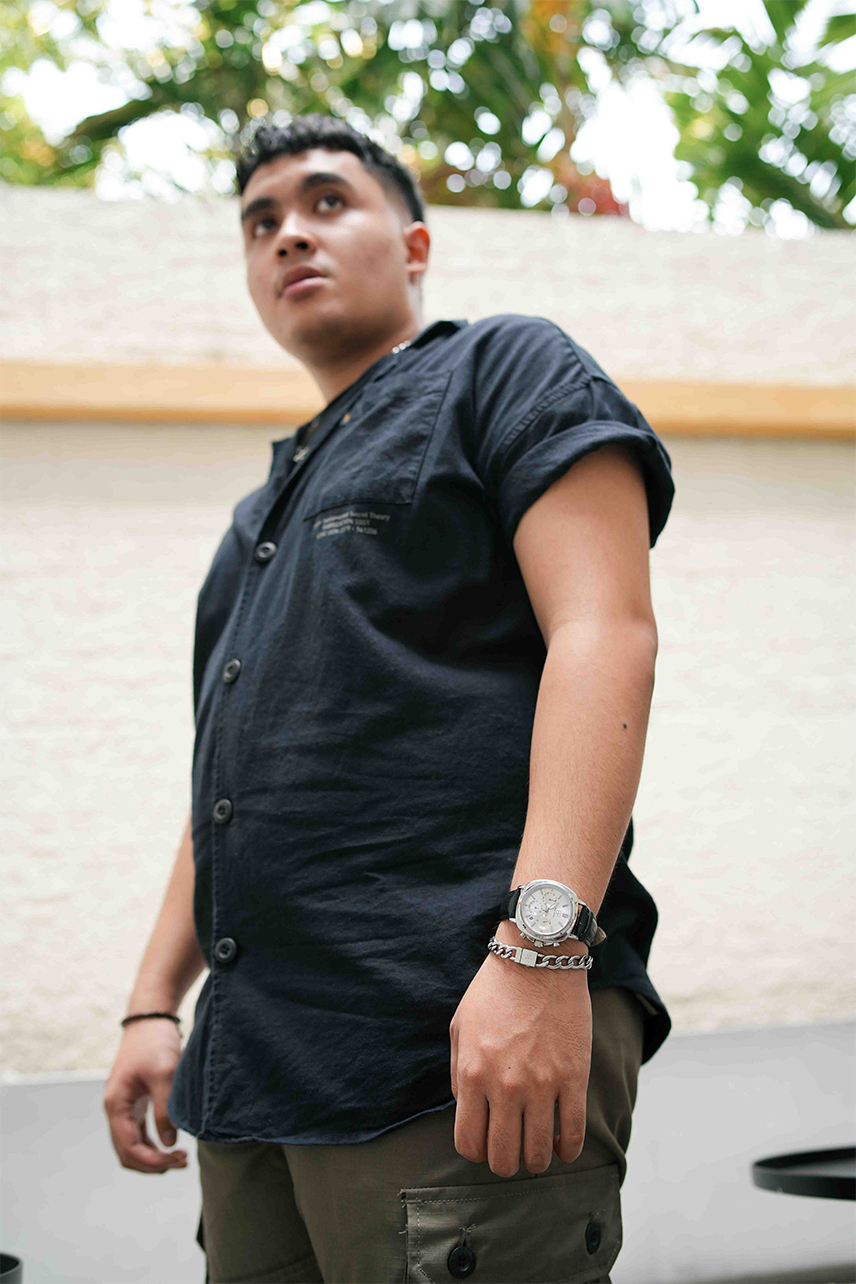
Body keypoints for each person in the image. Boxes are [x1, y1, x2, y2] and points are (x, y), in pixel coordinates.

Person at [103, 112, 675, 1284]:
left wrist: (541, 953)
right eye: (260, 222)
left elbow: (604, 633)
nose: (287, 236)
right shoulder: (254, 520)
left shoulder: (503, 369)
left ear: (414, 246)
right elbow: (228, 787)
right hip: (258, 1068)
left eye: (326, 202)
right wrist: (153, 1005)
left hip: (448, 1037)